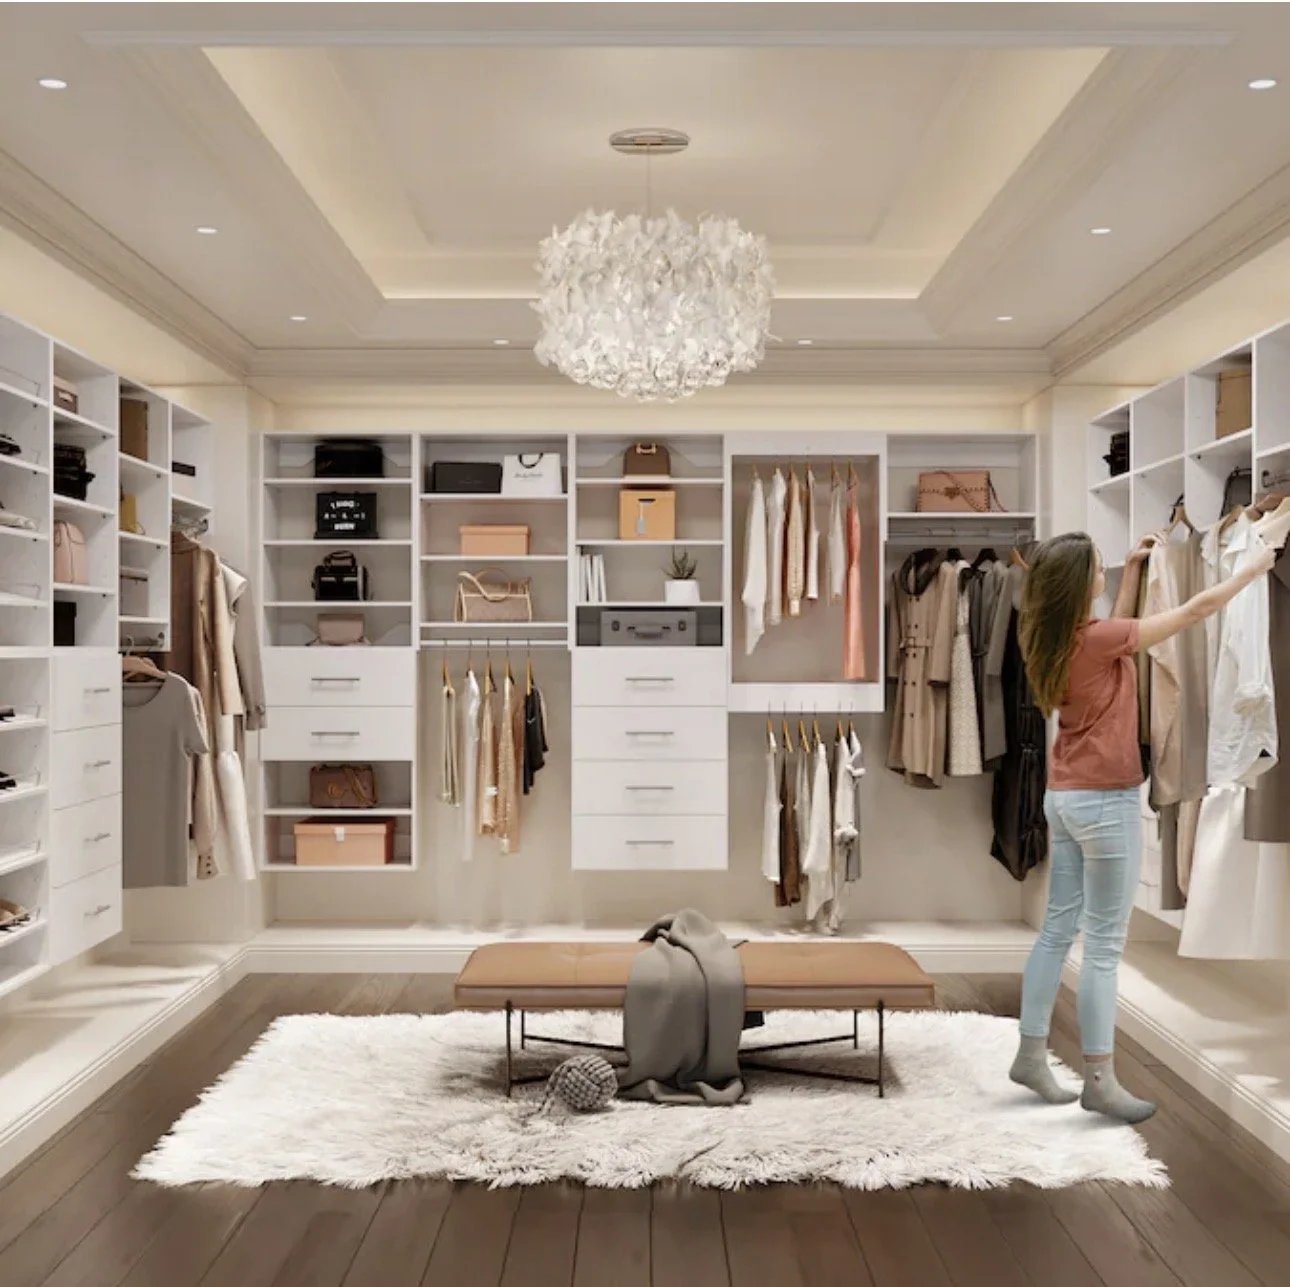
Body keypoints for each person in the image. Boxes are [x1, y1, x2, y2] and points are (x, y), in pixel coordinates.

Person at [1008, 528, 1275, 1123]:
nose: (1104, 575)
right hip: (1105, 803)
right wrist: (1253, 570)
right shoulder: (1101, 638)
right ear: (1082, 584)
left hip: (1066, 796)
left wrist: (1131, 572)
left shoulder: (1048, 637)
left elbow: (1116, 638)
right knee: (1103, 946)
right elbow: (1195, 609)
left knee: (1057, 929)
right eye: (1100, 568)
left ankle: (1030, 1052)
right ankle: (1099, 1079)